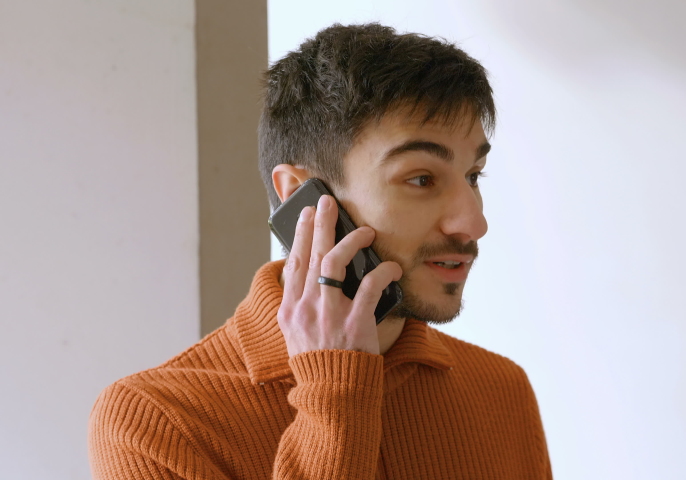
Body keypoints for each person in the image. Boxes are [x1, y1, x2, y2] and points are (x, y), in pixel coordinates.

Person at [89, 23, 552, 479]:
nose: (473, 223)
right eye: (421, 179)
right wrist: (335, 388)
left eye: (473, 175)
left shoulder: (501, 390)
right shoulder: (154, 425)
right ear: (300, 195)